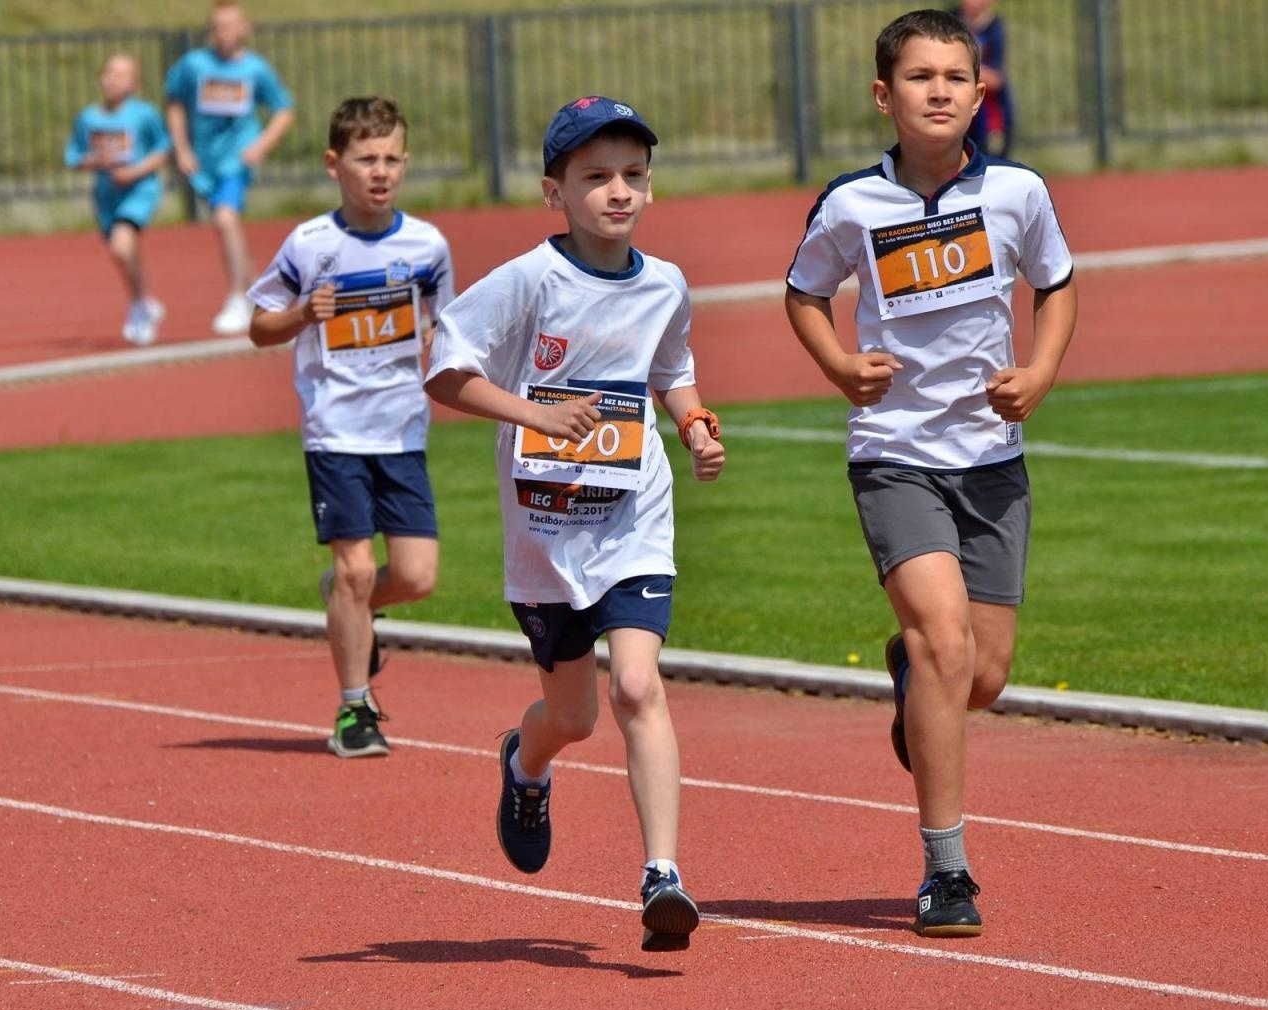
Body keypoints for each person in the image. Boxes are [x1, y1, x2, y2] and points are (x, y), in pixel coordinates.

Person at [783, 9, 1076, 937]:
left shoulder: (1020, 193)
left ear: (980, 92)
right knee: (947, 642)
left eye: (957, 74)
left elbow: (1057, 285)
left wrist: (1038, 371)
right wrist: (837, 366)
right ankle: (946, 872)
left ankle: (912, 674)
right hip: (895, 455)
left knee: (978, 677)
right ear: (885, 95)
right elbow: (801, 292)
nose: (941, 89)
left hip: (992, 461)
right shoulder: (850, 205)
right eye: (920, 76)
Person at [425, 96, 726, 952]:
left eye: (633, 175)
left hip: (633, 514)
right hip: (546, 533)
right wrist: (533, 416)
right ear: (555, 190)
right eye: (596, 177)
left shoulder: (665, 282)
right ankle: (527, 762)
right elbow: (445, 373)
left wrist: (696, 423)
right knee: (575, 716)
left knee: (636, 686)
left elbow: (673, 368)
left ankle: (662, 873)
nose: (617, 191)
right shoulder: (530, 280)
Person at [246, 97, 453, 759]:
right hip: (335, 429)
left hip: (401, 431)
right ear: (335, 165)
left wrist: (431, 334)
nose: (381, 171)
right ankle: (353, 709)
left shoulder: (427, 245)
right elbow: (259, 326)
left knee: (416, 577)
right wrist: (305, 312)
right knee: (357, 570)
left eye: (392, 158)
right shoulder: (310, 244)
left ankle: (351, 607)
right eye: (367, 159)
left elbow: (448, 325)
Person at [165, 0, 294, 336]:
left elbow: (284, 109)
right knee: (225, 226)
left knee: (225, 219)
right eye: (218, 26)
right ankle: (261, 296)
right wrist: (181, 149)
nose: (224, 33)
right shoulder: (193, 65)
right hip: (203, 161)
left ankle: (238, 296)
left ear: (244, 28)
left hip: (236, 160)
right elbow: (175, 104)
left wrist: (261, 145)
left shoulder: (255, 69)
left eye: (231, 25)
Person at [66, 53, 170, 347]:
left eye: (123, 75)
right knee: (124, 254)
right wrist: (93, 161)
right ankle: (144, 301)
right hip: (106, 195)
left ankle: (139, 308)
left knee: (121, 246)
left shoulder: (145, 114)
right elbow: (74, 156)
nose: (114, 80)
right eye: (110, 72)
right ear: (101, 77)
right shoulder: (89, 118)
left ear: (135, 83)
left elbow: (163, 149)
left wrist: (135, 171)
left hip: (139, 190)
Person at [956, 0, 1013, 157]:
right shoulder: (950, 21)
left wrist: (962, 67)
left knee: (993, 165)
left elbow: (995, 80)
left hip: (990, 116)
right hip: (960, 111)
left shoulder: (995, 29)